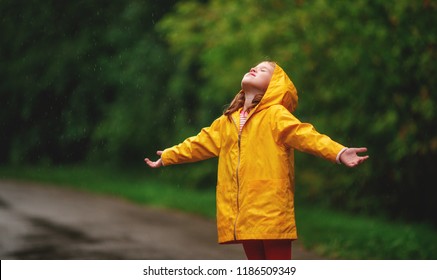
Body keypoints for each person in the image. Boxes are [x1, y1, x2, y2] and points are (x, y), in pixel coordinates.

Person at [145, 61, 369, 260]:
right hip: (241, 209)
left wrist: (339, 152)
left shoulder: (275, 115)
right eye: (254, 67)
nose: (254, 69)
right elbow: (199, 143)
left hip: (270, 207)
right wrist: (168, 156)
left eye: (263, 70)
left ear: (274, 87)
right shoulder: (228, 121)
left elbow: (306, 136)